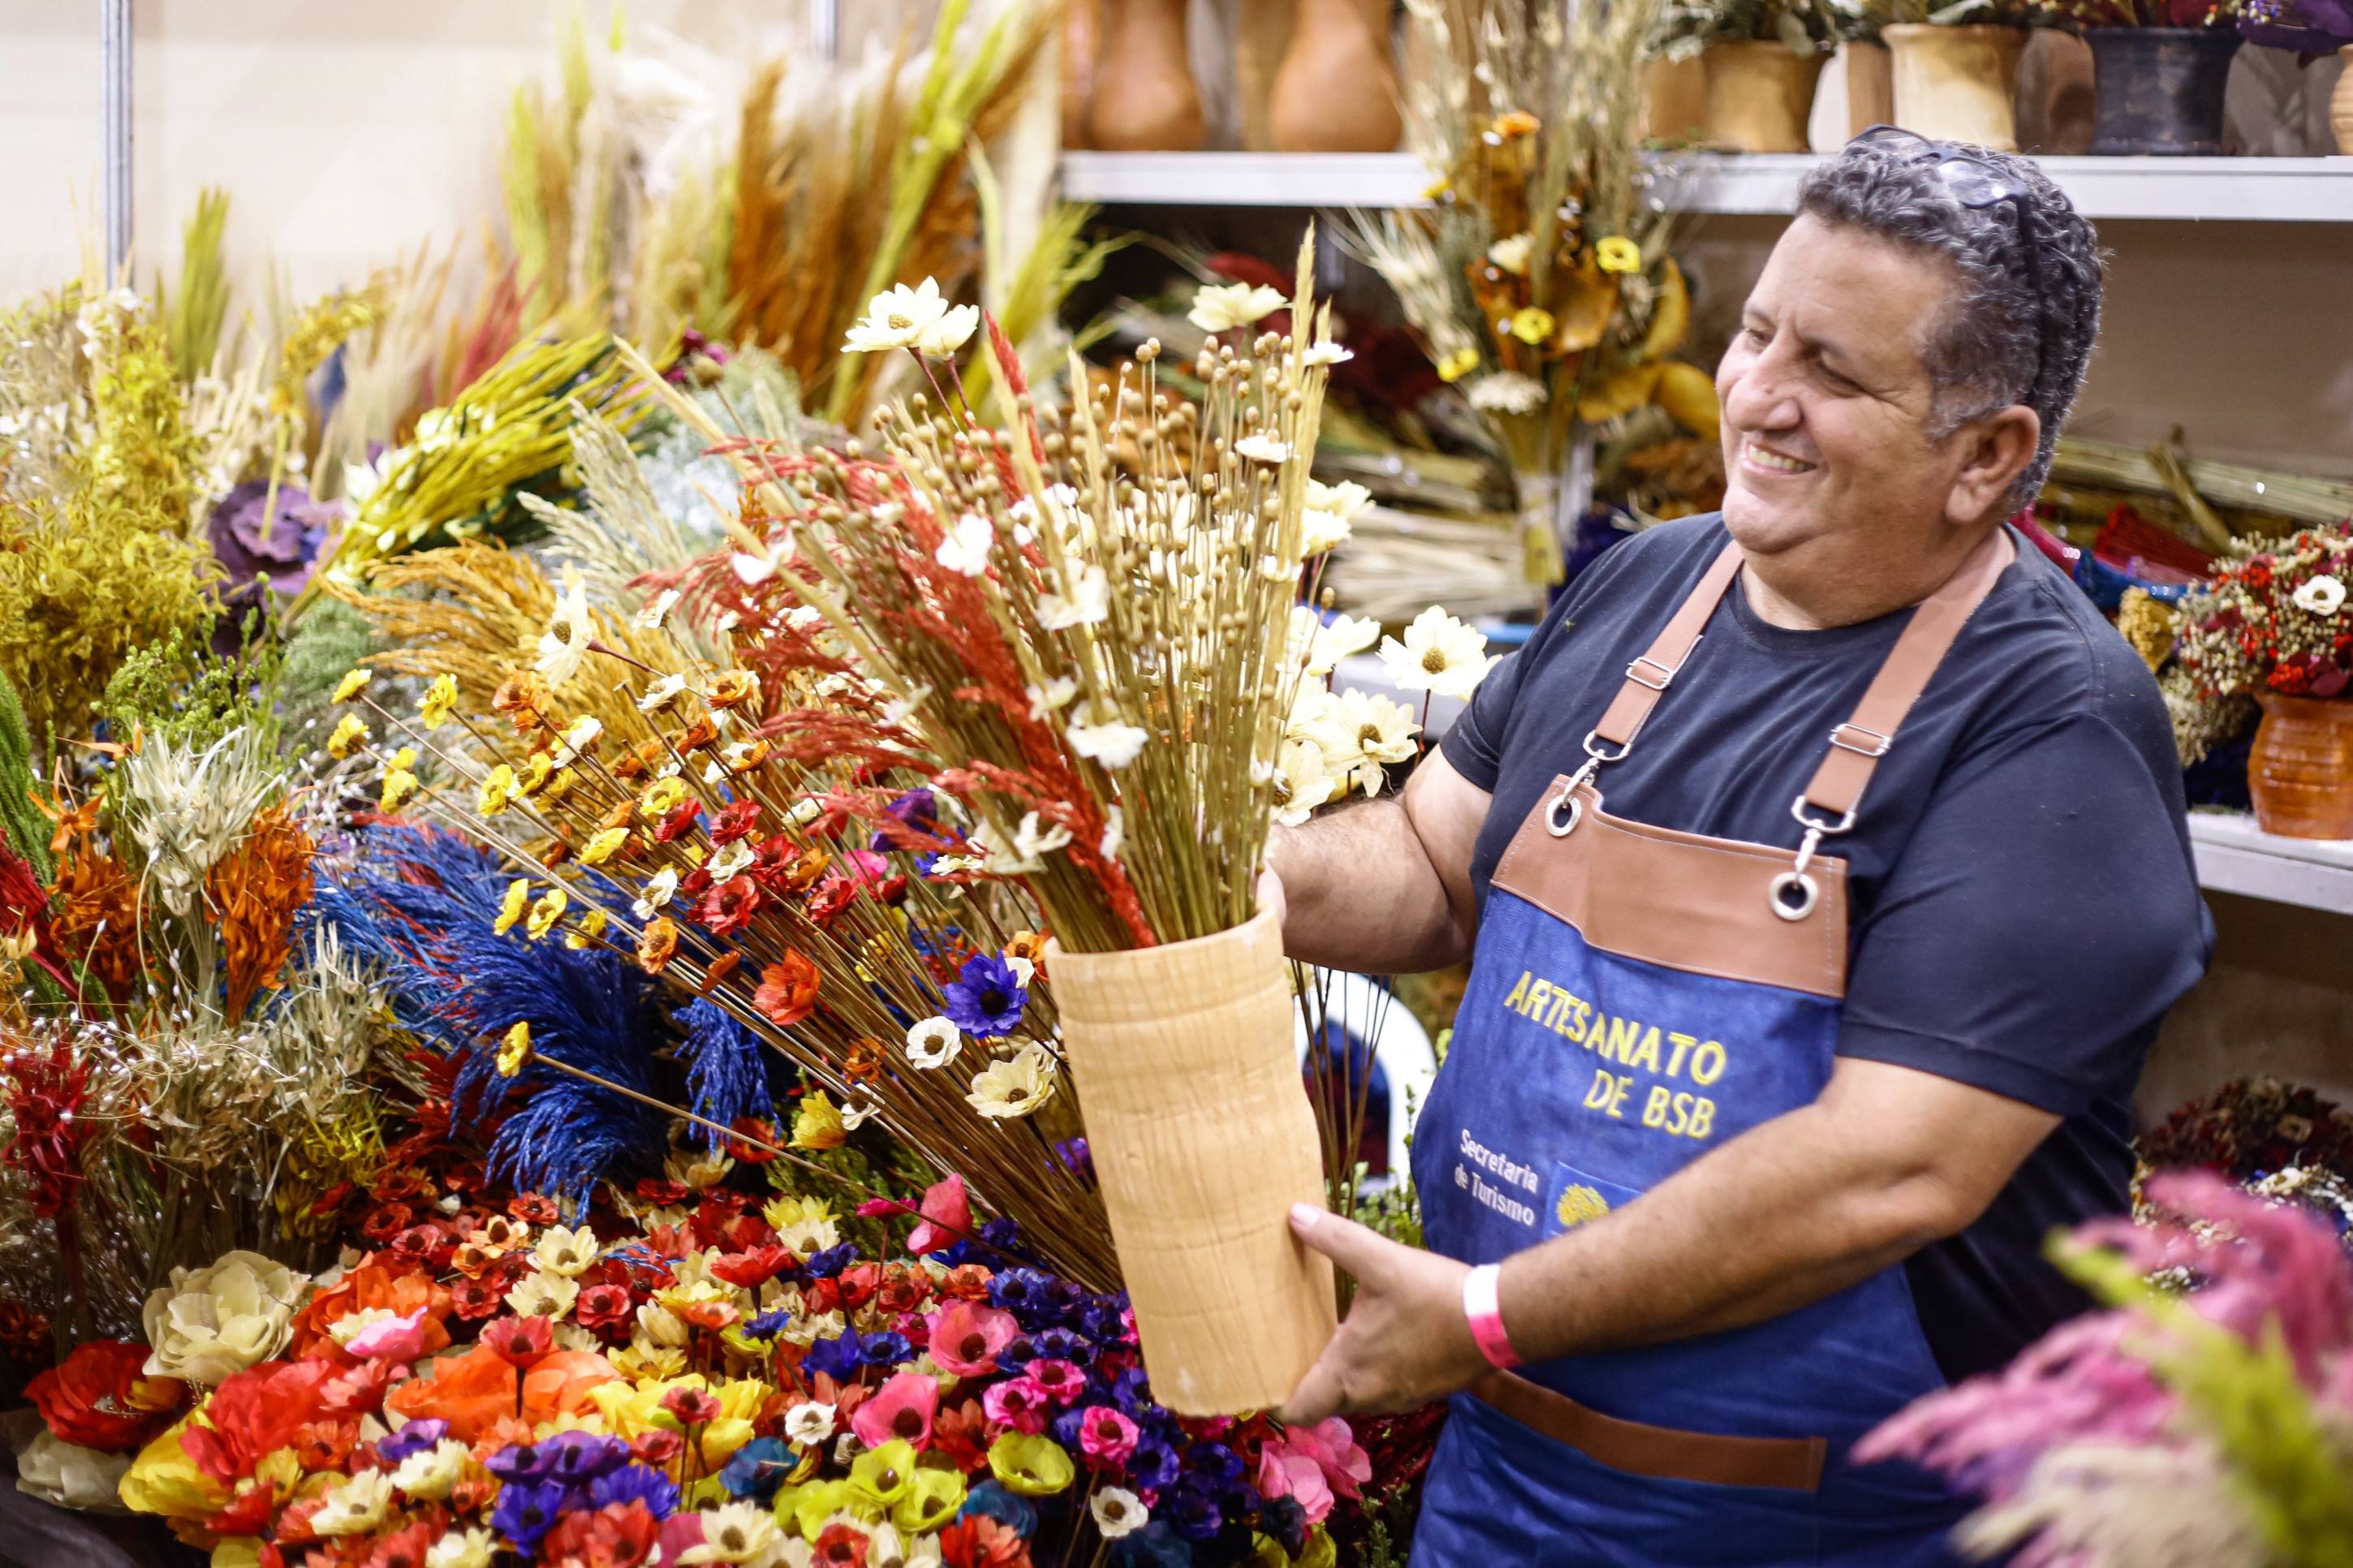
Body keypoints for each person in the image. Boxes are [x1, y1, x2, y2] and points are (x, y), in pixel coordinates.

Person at [1264, 130, 2213, 1564]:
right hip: (1506, 1490)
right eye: (1757, 333)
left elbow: (1890, 1170)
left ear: (1987, 457)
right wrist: (1242, 887)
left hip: (1854, 1531)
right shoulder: (1649, 585)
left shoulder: (2048, 729)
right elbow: (1433, 860)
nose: (1759, 396)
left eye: (1833, 371)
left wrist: (1485, 1311)